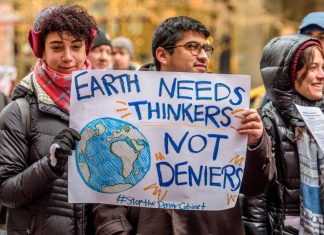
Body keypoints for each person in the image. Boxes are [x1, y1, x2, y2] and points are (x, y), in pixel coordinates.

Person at [93, 16, 276, 235]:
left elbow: (253, 186)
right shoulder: (126, 104)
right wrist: (117, 231)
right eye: (192, 47)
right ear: (162, 55)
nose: (202, 56)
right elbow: (106, 187)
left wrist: (255, 143)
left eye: (207, 49)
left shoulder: (226, 105)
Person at [0, 5, 97, 234]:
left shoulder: (107, 108)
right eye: (56, 47)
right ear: (41, 51)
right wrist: (50, 165)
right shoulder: (18, 113)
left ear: (86, 51)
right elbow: (6, 193)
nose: (68, 57)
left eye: (76, 47)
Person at [241, 34, 324, 234]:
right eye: (313, 68)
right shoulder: (266, 123)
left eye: (323, 67)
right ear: (288, 73)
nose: (321, 75)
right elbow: (254, 205)